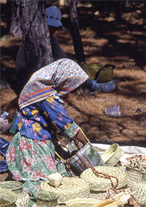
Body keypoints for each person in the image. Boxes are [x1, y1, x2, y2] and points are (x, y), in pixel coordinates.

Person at [6, 58, 89, 197]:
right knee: (45, 187)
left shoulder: (35, 84)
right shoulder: (44, 93)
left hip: (25, 140)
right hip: (35, 144)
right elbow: (63, 121)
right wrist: (85, 142)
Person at [16, 6, 117, 94]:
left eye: (56, 27)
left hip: (38, 76)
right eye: (53, 27)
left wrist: (73, 68)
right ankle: (93, 86)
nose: (55, 30)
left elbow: (62, 57)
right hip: (26, 78)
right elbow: (34, 65)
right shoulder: (34, 37)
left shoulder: (50, 38)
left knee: (69, 66)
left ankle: (91, 85)